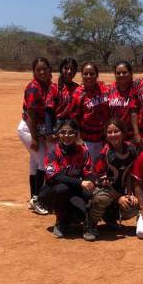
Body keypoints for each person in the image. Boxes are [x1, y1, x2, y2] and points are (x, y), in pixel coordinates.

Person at [38, 119, 95, 239]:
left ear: (76, 134)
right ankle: (60, 221)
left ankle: (86, 223)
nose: (66, 136)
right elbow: (55, 176)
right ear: (58, 134)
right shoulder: (53, 151)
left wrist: (91, 182)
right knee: (62, 189)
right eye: (63, 132)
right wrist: (80, 182)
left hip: (73, 190)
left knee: (86, 198)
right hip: (52, 191)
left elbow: (88, 173)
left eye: (70, 132)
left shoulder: (83, 151)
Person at [89, 118, 141, 240]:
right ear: (106, 135)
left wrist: (129, 194)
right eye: (109, 132)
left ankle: (110, 218)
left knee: (135, 204)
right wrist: (118, 198)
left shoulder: (131, 149)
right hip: (104, 191)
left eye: (116, 131)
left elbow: (131, 174)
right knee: (102, 198)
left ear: (123, 132)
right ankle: (91, 225)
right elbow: (101, 182)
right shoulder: (104, 153)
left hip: (120, 192)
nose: (113, 135)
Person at [17, 57, 53, 215]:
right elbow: (31, 115)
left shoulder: (45, 85)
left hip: (36, 129)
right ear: (34, 71)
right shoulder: (33, 88)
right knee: (44, 162)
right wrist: (34, 138)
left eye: (45, 68)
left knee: (34, 162)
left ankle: (33, 197)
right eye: (38, 69)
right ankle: (38, 199)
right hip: (29, 129)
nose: (42, 72)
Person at [71, 62, 110, 164]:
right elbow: (74, 118)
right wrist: (78, 138)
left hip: (104, 138)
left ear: (97, 75)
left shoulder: (104, 89)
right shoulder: (78, 93)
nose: (88, 76)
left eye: (92, 74)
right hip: (87, 139)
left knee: (103, 166)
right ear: (82, 75)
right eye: (85, 74)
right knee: (90, 167)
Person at [106, 61, 141, 144]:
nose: (121, 75)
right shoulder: (110, 89)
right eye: (118, 73)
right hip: (114, 134)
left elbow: (134, 112)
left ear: (130, 73)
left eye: (124, 72)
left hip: (132, 134)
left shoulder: (137, 87)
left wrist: (136, 133)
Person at [45, 57, 79, 130]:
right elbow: (48, 111)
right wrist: (49, 131)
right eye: (66, 68)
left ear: (75, 71)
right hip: (58, 124)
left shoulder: (78, 88)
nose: (69, 71)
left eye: (72, 69)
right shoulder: (54, 87)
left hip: (73, 124)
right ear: (61, 69)